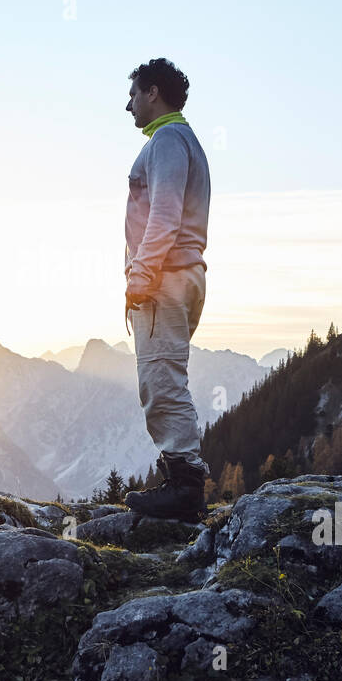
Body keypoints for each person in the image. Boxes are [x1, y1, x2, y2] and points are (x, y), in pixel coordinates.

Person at [120, 58, 212, 521]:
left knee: (160, 379)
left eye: (133, 94)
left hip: (164, 279)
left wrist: (140, 277)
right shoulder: (182, 140)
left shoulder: (167, 141)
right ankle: (183, 480)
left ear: (153, 93)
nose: (128, 105)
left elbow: (164, 214)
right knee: (167, 375)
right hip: (184, 275)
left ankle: (184, 489)